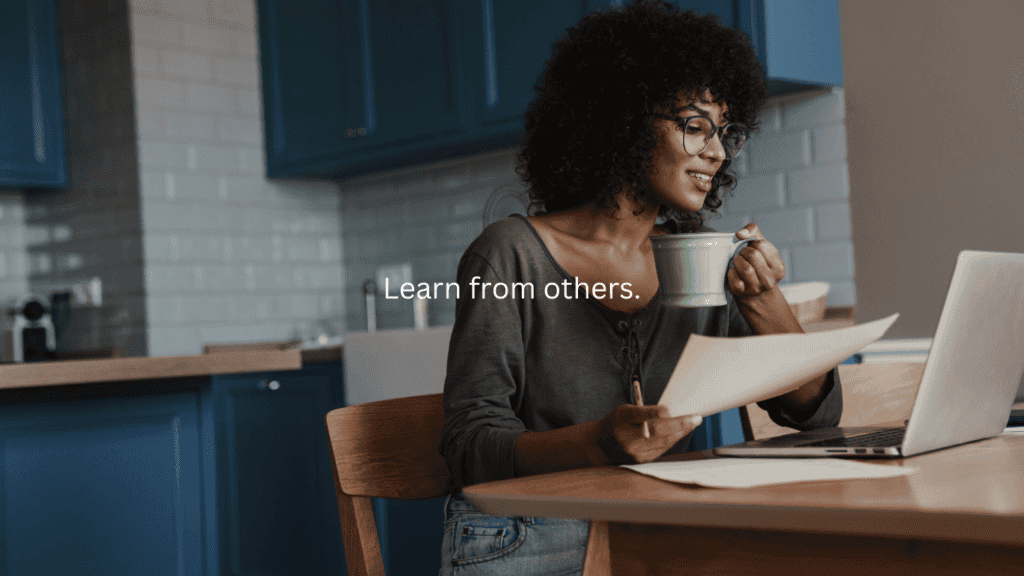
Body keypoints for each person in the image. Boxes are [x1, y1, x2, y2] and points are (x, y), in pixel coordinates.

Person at [437, 1, 843, 574]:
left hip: (656, 532)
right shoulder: (509, 254)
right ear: (622, 120)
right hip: (526, 536)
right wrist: (602, 442)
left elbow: (811, 413)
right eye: (695, 126)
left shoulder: (697, 256)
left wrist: (761, 299)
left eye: (724, 132)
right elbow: (469, 447)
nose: (719, 152)